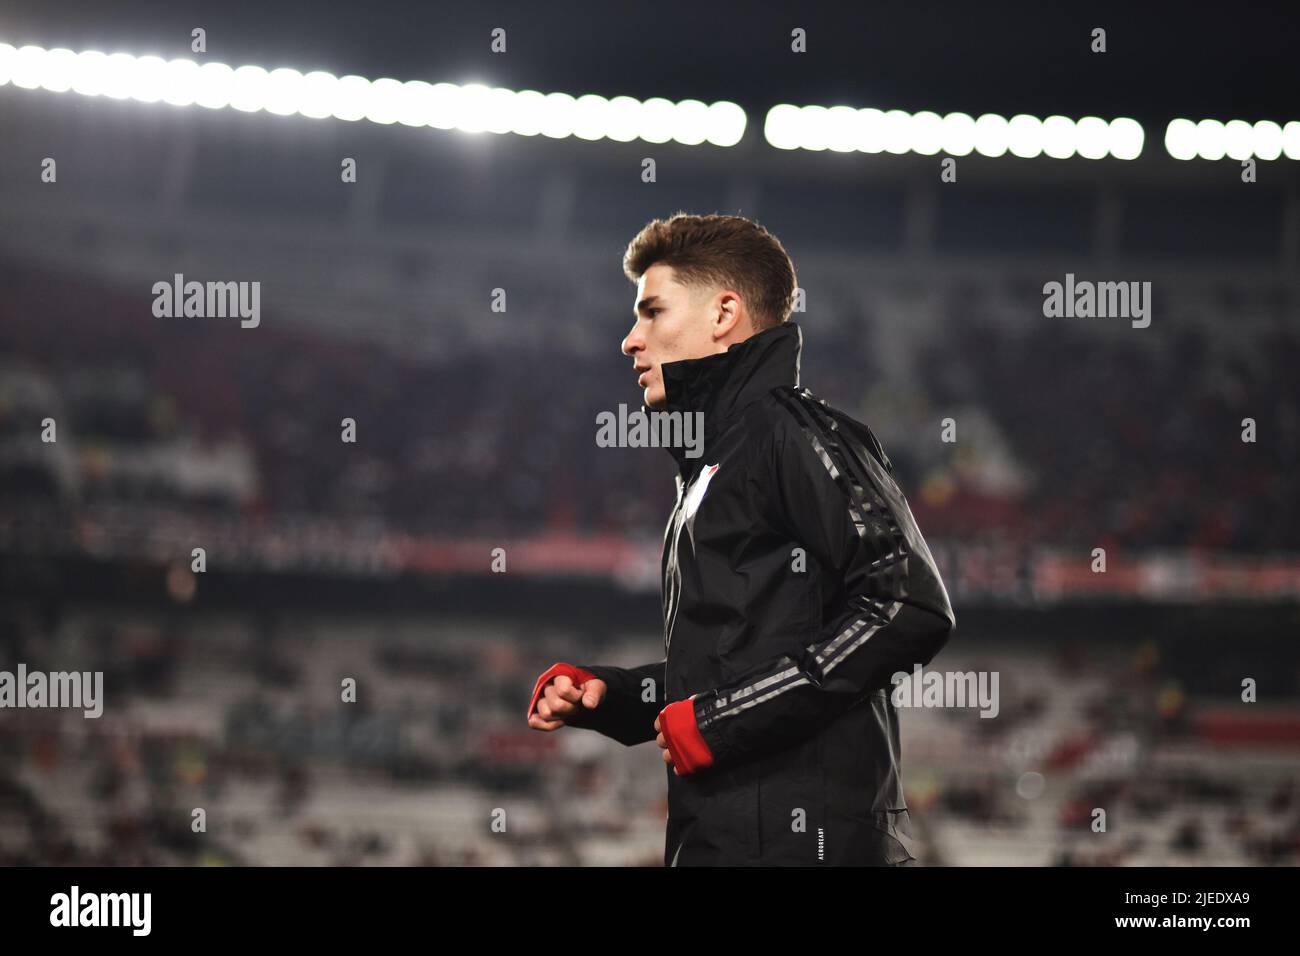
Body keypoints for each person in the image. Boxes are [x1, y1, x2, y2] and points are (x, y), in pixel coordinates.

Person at [527, 212, 956, 866]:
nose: (630, 341)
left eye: (652, 312)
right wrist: (617, 697)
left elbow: (908, 606)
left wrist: (722, 720)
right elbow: (739, 664)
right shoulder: (713, 463)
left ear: (723, 313)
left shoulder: (793, 433)